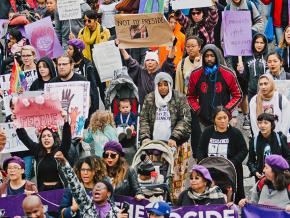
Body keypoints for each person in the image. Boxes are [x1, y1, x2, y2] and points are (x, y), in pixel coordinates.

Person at [197, 106, 248, 203]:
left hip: (230, 170)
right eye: (219, 118)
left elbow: (243, 150)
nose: (223, 121)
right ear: (214, 120)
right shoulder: (207, 132)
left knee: (233, 199)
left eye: (225, 118)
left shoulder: (235, 133)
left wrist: (232, 162)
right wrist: (203, 163)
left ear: (229, 118)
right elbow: (200, 149)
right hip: (210, 170)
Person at [55, 151, 128, 217]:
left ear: (94, 172)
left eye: (89, 170)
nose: (85, 173)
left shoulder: (103, 191)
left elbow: (109, 210)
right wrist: (73, 208)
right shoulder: (73, 190)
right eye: (83, 170)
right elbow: (60, 215)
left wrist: (117, 215)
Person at [187, 44, 242, 128]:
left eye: (212, 56)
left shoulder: (228, 73)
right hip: (203, 120)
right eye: (206, 56)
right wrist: (198, 110)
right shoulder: (195, 74)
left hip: (223, 120)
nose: (209, 59)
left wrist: (226, 110)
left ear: (217, 56)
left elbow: (238, 95)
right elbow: (190, 96)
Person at [16, 113, 71, 191]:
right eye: (43, 136)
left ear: (54, 138)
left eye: (49, 136)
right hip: (43, 191)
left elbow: (67, 139)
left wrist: (65, 122)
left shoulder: (61, 151)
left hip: (61, 191)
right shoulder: (37, 150)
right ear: (40, 139)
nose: (46, 138)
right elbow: (25, 138)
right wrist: (17, 123)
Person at [140, 72, 191, 147]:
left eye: (165, 84)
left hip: (175, 140)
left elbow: (185, 119)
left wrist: (174, 137)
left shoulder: (179, 97)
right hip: (153, 141)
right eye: (159, 85)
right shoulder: (149, 98)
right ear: (156, 86)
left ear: (170, 85)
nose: (163, 87)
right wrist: (145, 137)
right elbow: (144, 119)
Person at [118, 39, 176, 105]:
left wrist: (173, 46)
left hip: (160, 107)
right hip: (145, 108)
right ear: (145, 63)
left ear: (157, 63)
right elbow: (129, 60)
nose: (150, 62)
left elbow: (169, 60)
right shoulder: (140, 72)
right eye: (148, 60)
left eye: (152, 60)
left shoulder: (161, 72)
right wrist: (121, 48)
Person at [247, 113, 290, 181]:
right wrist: (255, 172)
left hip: (279, 177)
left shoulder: (280, 138)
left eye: (266, 123)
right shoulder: (254, 141)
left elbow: (288, 157)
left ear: (272, 125)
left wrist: (281, 169)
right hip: (262, 177)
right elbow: (250, 161)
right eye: (260, 123)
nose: (262, 125)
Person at [249, 74, 290, 138]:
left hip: (278, 138)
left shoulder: (281, 98)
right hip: (261, 138)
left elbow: (286, 121)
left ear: (271, 84)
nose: (263, 87)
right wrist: (259, 138)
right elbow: (254, 122)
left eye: (266, 84)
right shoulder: (254, 100)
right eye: (261, 84)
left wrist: (280, 138)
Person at [67, 38, 102, 112]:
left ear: (78, 50)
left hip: (84, 103)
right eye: (68, 49)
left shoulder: (88, 66)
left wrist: (94, 109)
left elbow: (93, 89)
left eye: (70, 49)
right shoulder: (66, 64)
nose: (67, 51)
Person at [5, 98, 34, 181]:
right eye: (12, 108)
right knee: (16, 176)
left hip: (27, 152)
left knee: (26, 175)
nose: (15, 110)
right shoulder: (8, 119)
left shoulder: (27, 117)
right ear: (10, 108)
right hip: (15, 153)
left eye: (17, 108)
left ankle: (26, 192)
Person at [245, 33, 268, 103]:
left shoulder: (268, 57)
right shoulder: (247, 57)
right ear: (253, 43)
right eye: (257, 42)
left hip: (266, 91)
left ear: (265, 44)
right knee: (252, 112)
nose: (259, 45)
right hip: (252, 91)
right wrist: (241, 71)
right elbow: (245, 76)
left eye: (262, 43)